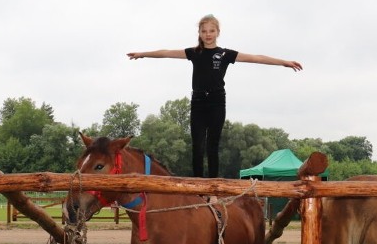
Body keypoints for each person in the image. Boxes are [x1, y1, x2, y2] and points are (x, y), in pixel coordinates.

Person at [128, 14, 302, 178]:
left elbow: (256, 58)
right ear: (199, 34)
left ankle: (212, 186)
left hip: (217, 102)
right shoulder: (194, 53)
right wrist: (143, 54)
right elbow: (166, 53)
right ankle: (197, 183)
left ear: (218, 32)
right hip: (198, 102)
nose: (208, 34)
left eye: (211, 31)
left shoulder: (225, 54)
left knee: (212, 145)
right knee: (197, 145)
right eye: (204, 31)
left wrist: (284, 63)